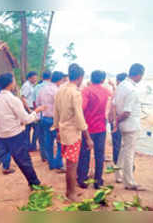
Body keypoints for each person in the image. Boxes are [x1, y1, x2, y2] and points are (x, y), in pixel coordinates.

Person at [0, 73, 46, 204]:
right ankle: (35, 184)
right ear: (11, 83)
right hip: (15, 136)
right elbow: (26, 119)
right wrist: (36, 111)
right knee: (24, 161)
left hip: (2, 136)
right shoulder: (13, 100)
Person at [53, 63, 94, 201]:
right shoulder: (75, 93)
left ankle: (70, 191)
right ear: (81, 77)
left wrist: (57, 129)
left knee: (69, 163)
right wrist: (88, 137)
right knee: (72, 166)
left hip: (63, 131)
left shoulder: (60, 90)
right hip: (72, 134)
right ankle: (71, 193)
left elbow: (56, 112)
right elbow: (79, 116)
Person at [77, 70, 112, 189]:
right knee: (99, 155)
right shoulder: (107, 92)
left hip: (88, 128)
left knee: (84, 154)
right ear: (102, 80)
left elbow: (81, 109)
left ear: (91, 78)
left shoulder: (86, 91)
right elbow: (111, 109)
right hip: (101, 127)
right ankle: (98, 181)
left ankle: (82, 180)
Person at [114, 64, 146, 191]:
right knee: (129, 153)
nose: (142, 78)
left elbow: (115, 104)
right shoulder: (132, 90)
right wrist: (117, 121)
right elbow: (127, 112)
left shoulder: (121, 85)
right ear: (139, 74)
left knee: (123, 150)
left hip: (124, 124)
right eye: (142, 75)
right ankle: (129, 182)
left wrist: (116, 121)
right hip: (130, 125)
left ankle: (118, 174)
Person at [36, 71, 65, 172]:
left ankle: (51, 162)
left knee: (48, 141)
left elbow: (38, 103)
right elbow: (60, 107)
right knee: (60, 141)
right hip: (54, 119)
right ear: (59, 80)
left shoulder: (42, 89)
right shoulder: (57, 90)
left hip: (44, 118)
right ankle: (58, 163)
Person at [108, 73, 127, 165]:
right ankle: (121, 164)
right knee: (122, 144)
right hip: (123, 121)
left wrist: (111, 118)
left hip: (117, 120)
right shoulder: (127, 91)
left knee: (117, 144)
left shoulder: (118, 91)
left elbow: (112, 107)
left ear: (118, 81)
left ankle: (118, 164)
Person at [34, 71, 52, 162]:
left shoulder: (37, 87)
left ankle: (43, 155)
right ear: (51, 77)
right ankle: (50, 157)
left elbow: (35, 102)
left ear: (42, 77)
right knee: (50, 137)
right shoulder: (53, 87)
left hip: (40, 115)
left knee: (41, 136)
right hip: (51, 116)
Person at [20, 71, 39, 152]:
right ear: (29, 78)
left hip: (32, 108)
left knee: (34, 128)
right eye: (34, 77)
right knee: (30, 128)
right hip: (29, 108)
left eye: (36, 77)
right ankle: (28, 146)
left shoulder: (32, 86)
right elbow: (23, 98)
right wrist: (28, 109)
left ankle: (31, 145)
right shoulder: (26, 86)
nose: (36, 79)